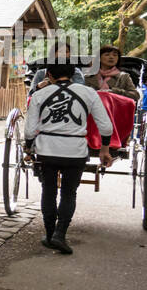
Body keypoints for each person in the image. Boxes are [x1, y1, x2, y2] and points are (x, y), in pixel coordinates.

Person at [24, 58, 114, 254]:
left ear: (49, 75)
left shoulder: (40, 94)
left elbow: (30, 130)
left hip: (47, 150)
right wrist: (104, 150)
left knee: (48, 191)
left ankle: (49, 235)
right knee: (69, 192)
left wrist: (29, 149)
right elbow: (106, 126)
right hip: (76, 151)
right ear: (74, 74)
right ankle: (60, 234)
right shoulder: (88, 93)